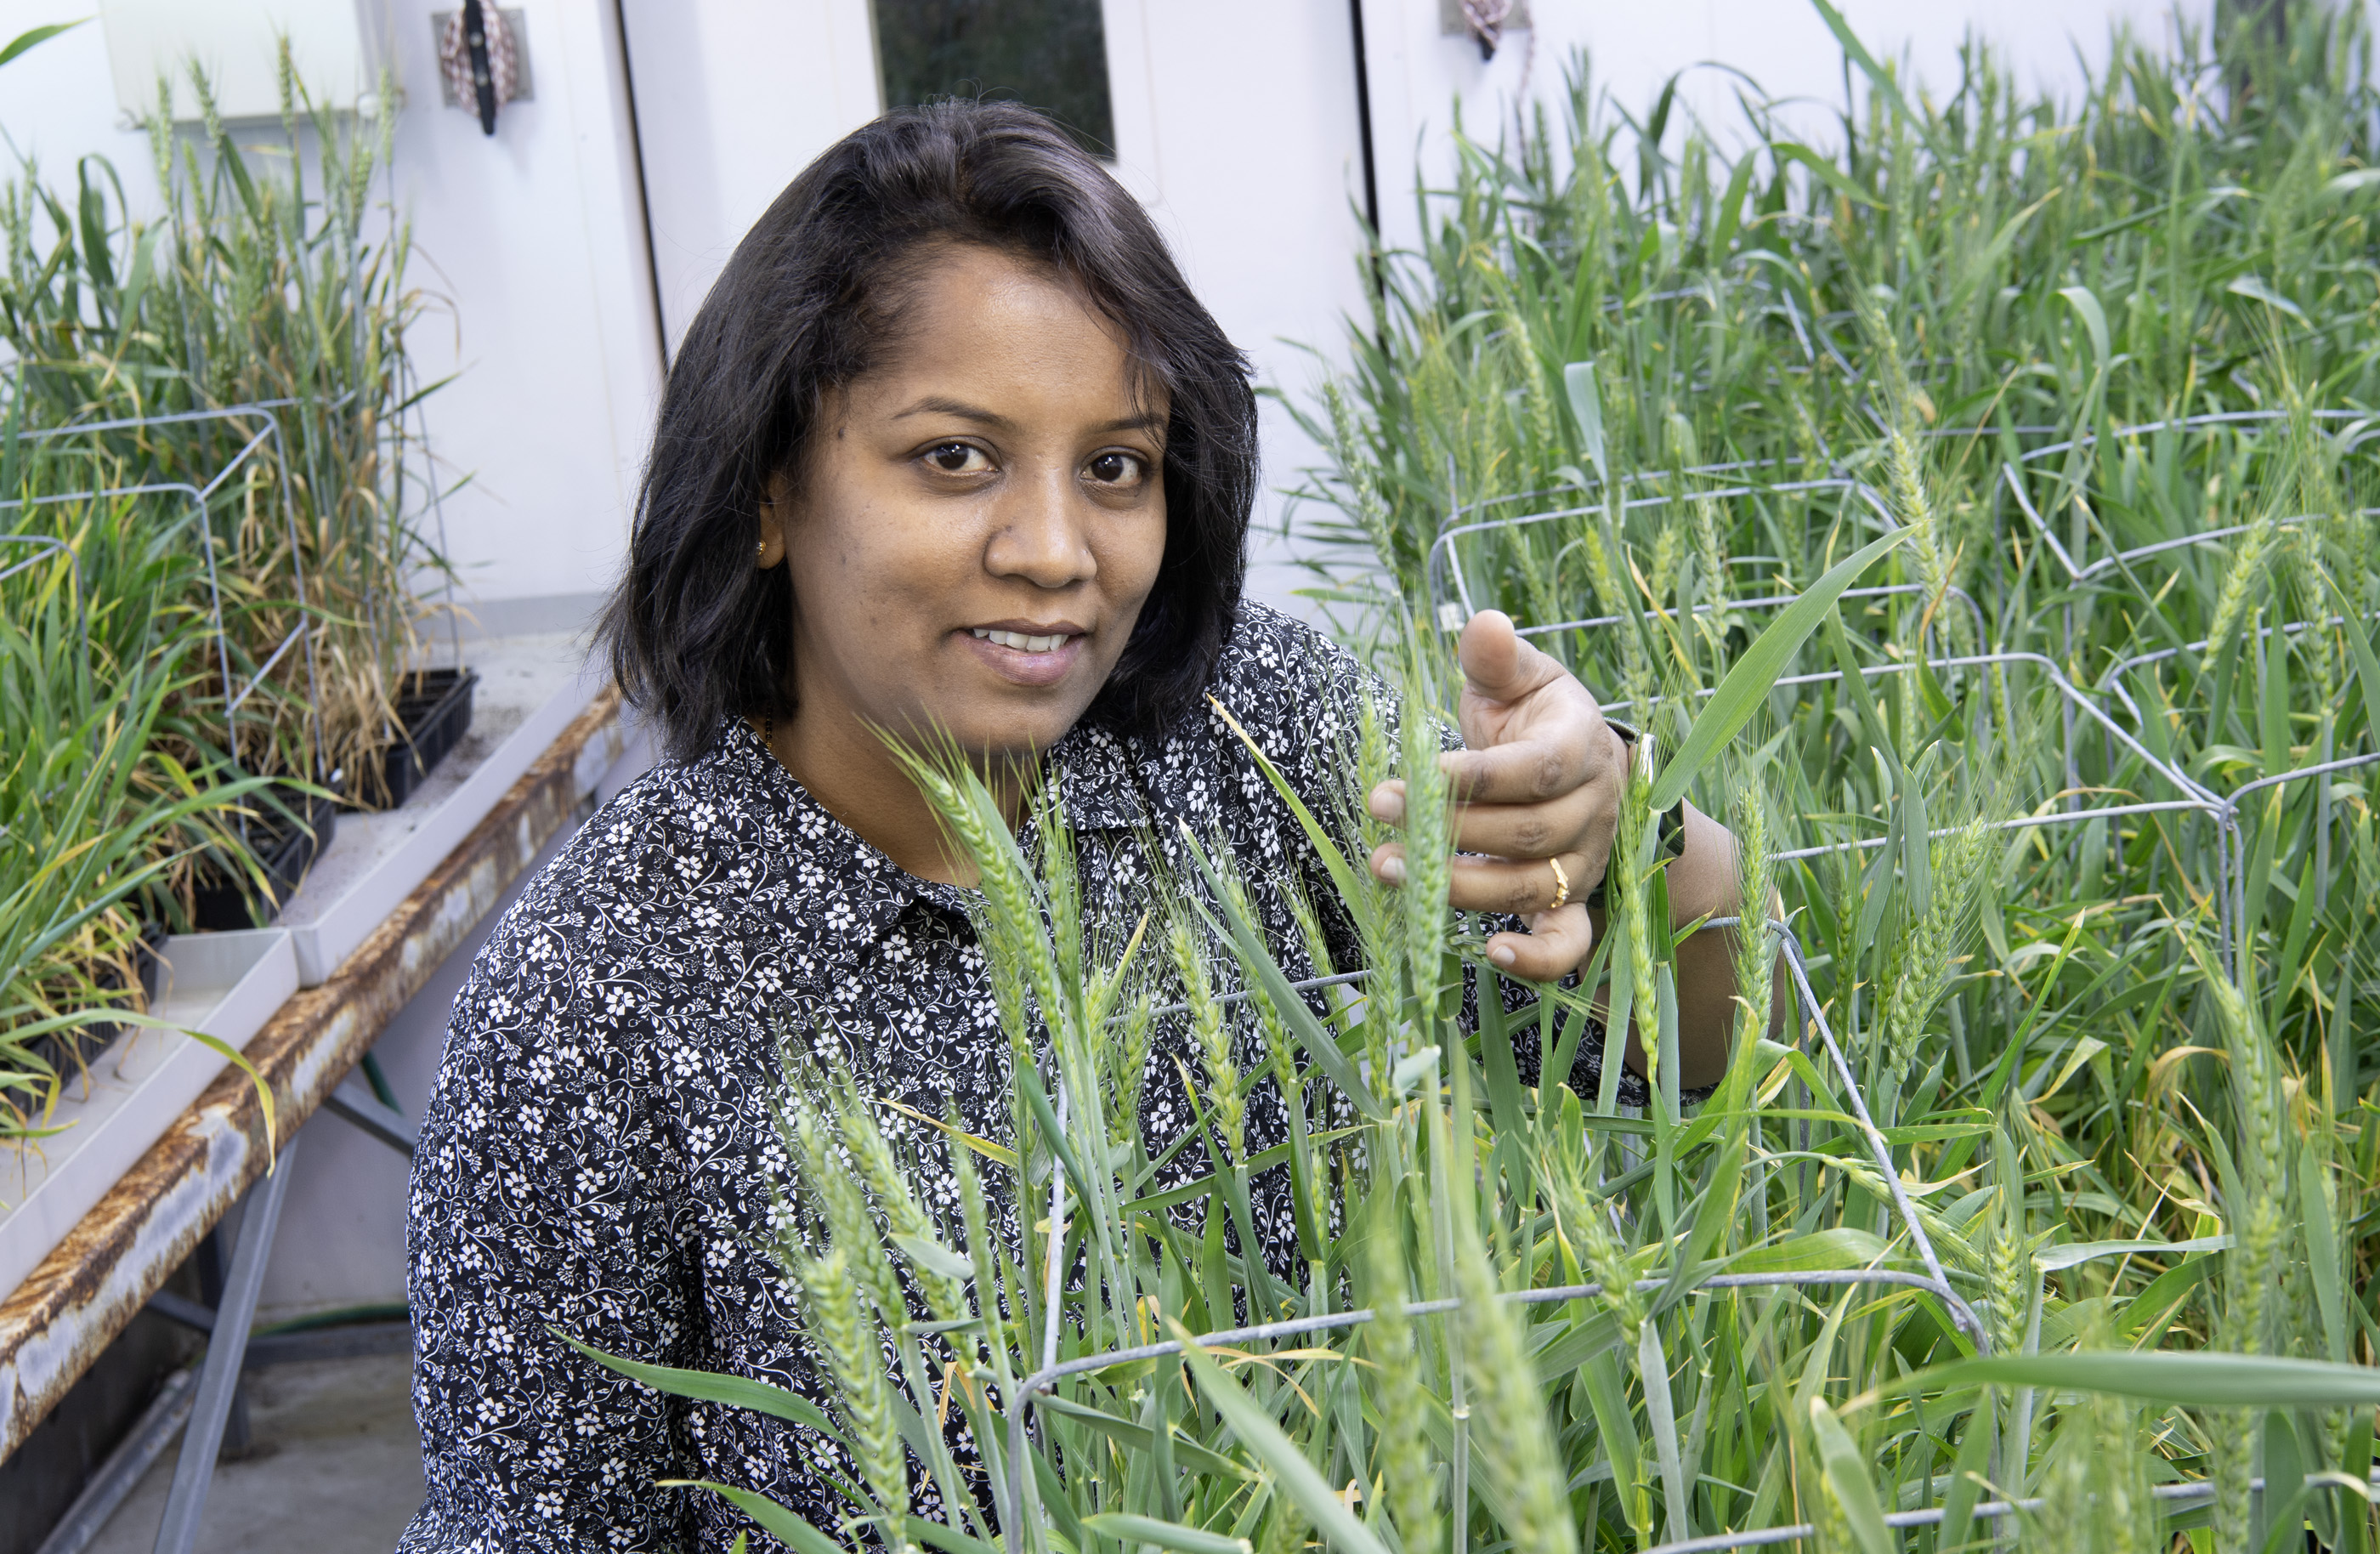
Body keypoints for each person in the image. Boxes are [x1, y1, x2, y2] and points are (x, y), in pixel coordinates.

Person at [400, 101, 1754, 1553]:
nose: (1055, 553)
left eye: (1116, 466)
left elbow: (1677, 1055)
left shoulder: (1251, 735)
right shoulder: (596, 994)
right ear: (768, 492)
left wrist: (1622, 818)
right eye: (954, 459)